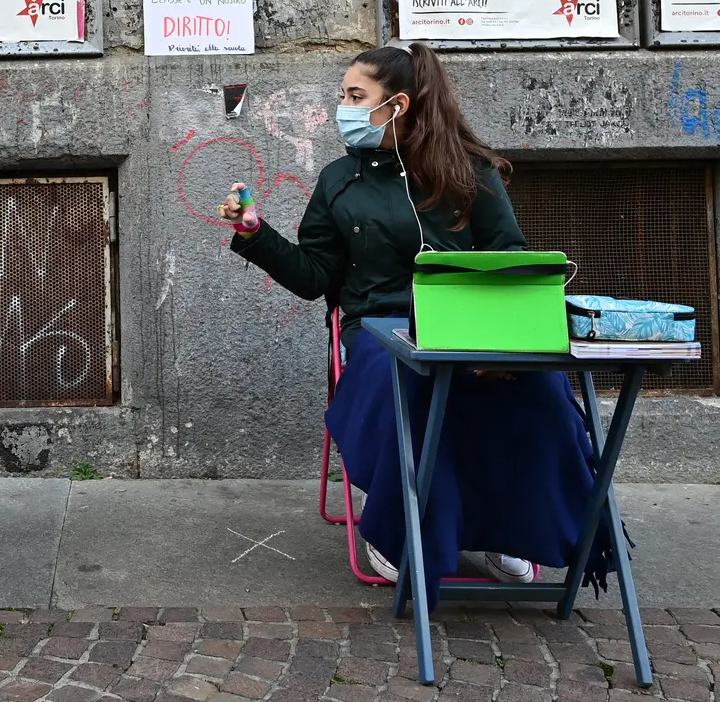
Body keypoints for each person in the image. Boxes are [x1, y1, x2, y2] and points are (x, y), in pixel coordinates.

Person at [218, 43, 616, 604]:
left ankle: (510, 526)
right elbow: (313, 276)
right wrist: (256, 232)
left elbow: (509, 256)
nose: (344, 108)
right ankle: (396, 523)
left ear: (397, 104)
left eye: (356, 97)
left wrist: (498, 342)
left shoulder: (468, 171)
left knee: (541, 390)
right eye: (342, 96)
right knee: (413, 383)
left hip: (473, 328)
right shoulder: (338, 181)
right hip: (379, 329)